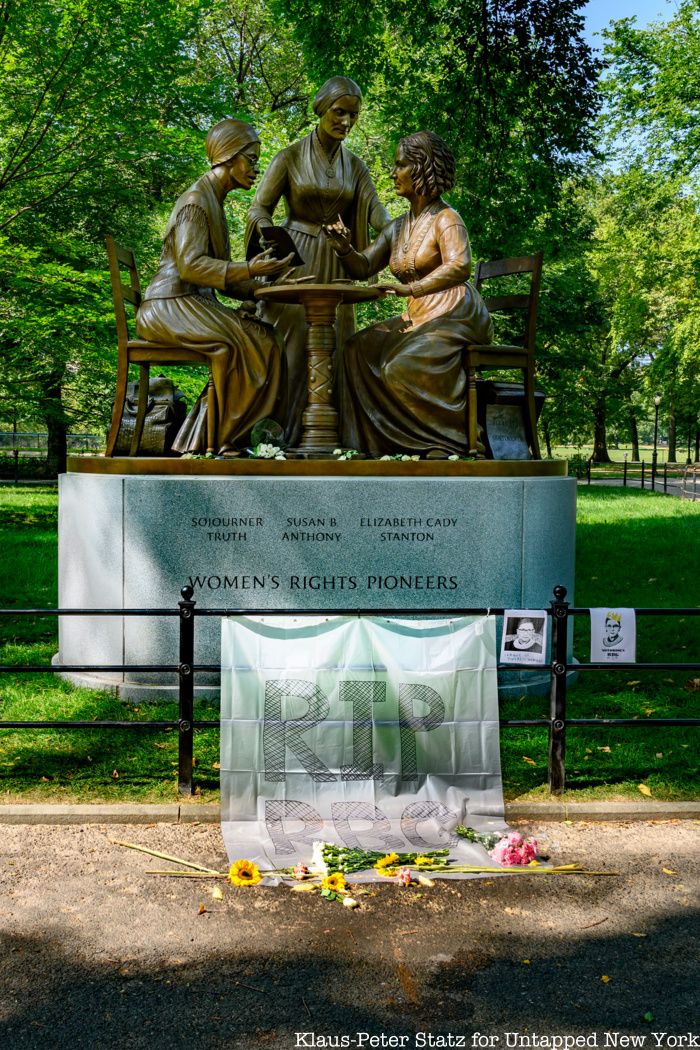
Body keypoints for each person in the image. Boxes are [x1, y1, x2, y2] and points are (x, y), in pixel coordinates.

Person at [323, 130, 493, 457]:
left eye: (400, 165)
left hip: (453, 311)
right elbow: (363, 266)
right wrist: (344, 248)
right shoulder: (398, 225)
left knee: (399, 367)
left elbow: (461, 266)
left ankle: (448, 440)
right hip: (417, 314)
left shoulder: (447, 219)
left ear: (421, 168)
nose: (393, 173)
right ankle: (372, 446)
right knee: (355, 350)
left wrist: (411, 287)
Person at [245, 76, 390, 446]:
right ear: (322, 110)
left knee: (336, 347)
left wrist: (404, 230)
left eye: (353, 115)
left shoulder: (355, 167)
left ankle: (327, 436)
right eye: (339, 112)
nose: (346, 121)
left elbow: (377, 213)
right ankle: (280, 439)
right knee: (290, 346)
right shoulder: (290, 156)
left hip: (337, 261)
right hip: (295, 259)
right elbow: (260, 205)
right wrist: (266, 232)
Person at [136, 118, 293, 455]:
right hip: (168, 304)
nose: (255, 168)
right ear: (227, 156)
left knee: (268, 338)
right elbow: (191, 267)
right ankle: (221, 438)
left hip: (193, 302)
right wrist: (251, 268)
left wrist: (265, 283)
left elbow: (222, 279)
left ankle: (232, 434)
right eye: (250, 159)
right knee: (238, 343)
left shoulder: (214, 202)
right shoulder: (196, 202)